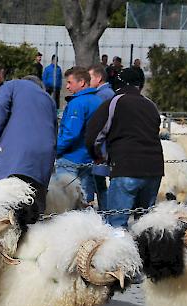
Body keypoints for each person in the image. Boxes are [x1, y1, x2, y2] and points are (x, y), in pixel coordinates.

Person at [85, 68, 164, 228]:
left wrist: (98, 156)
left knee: (117, 223)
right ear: (140, 85)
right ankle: (144, 251)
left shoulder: (114, 102)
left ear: (118, 84)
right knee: (145, 223)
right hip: (154, 169)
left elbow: (94, 136)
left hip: (126, 167)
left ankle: (119, 251)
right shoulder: (150, 105)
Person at [0, 75, 57, 213]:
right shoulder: (48, 99)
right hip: (44, 156)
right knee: (36, 207)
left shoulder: (13, 85)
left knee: (4, 202)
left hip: (17, 153)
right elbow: (55, 129)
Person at [56, 66, 102, 205]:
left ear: (81, 82)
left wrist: (55, 150)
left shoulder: (77, 103)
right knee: (84, 201)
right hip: (89, 158)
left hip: (71, 158)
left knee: (64, 202)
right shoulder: (98, 101)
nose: (67, 86)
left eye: (70, 82)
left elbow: (71, 133)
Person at [88, 63, 116, 209]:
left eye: (90, 77)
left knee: (100, 183)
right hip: (103, 146)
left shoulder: (102, 95)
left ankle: (105, 212)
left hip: (101, 147)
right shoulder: (107, 93)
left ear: (98, 78)